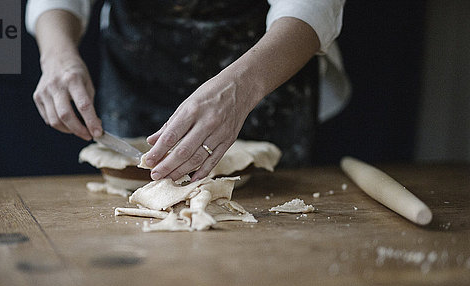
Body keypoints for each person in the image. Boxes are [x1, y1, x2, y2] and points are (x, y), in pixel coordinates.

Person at [26, 0, 350, 181]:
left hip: (265, 66)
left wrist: (242, 88)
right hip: (138, 65)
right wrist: (57, 56)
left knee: (267, 206)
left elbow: (312, 6)